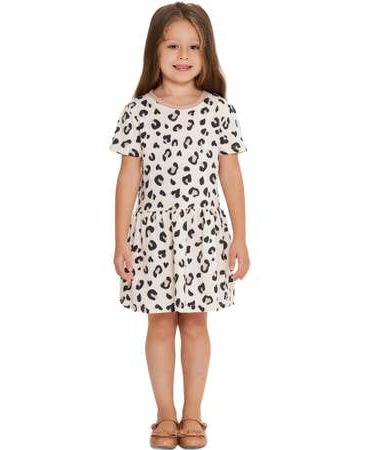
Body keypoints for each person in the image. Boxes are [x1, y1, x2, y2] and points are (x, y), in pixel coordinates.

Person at [108, 2, 250, 448]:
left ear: (207, 54)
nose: (183, 56)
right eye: (173, 46)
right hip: (152, 234)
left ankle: (193, 415)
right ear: (155, 50)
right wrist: (120, 241)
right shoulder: (137, 112)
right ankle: (165, 415)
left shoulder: (219, 111)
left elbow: (231, 175)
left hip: (204, 234)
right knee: (159, 323)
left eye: (194, 47)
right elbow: (128, 178)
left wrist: (240, 238)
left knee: (194, 322)